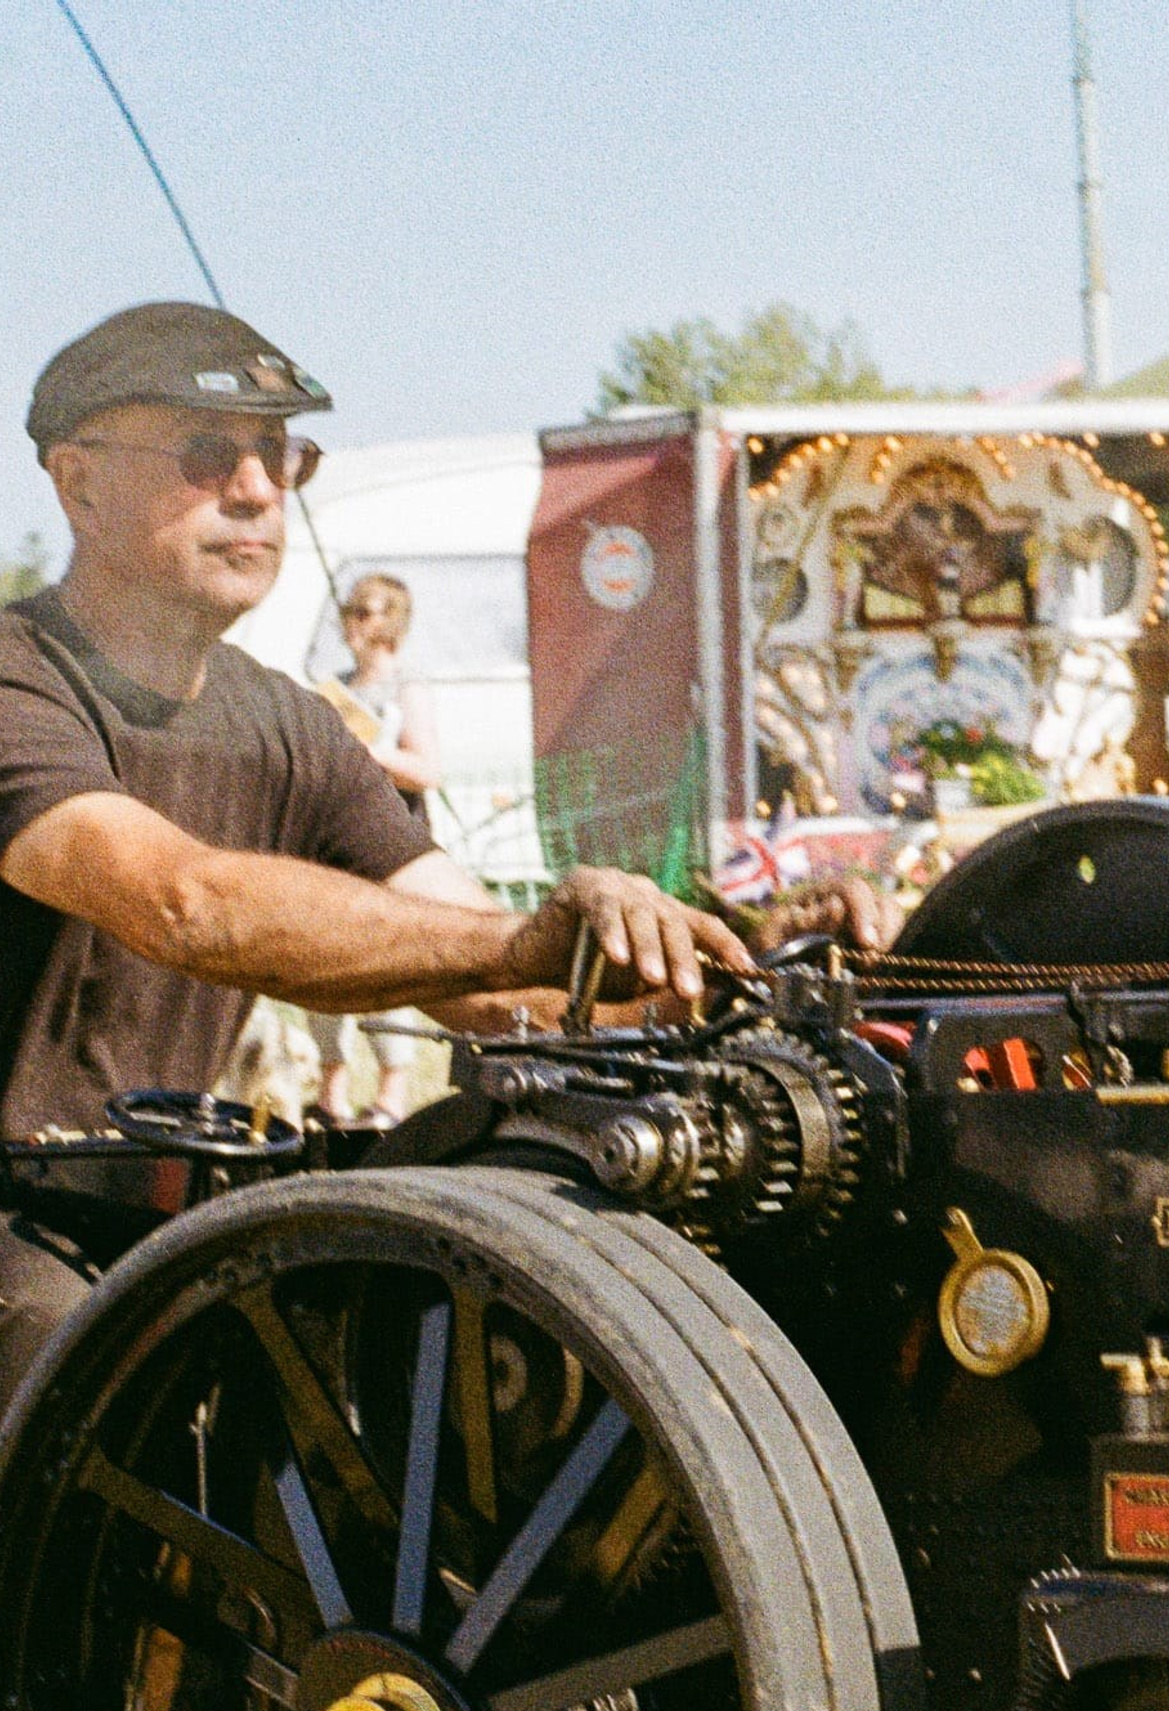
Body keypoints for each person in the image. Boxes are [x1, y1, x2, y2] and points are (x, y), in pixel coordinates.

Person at [0, 301, 868, 1402]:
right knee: (80, 1370)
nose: (259, 489)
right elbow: (182, 902)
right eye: (208, 452)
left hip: (151, 1216)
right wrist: (522, 938)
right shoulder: (20, 685)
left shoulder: (292, 727)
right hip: (18, 1229)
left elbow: (505, 1006)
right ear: (77, 482)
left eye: (281, 454)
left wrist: (736, 963)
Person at [311, 572, 439, 1123]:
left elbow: (427, 770)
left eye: (364, 611)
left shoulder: (408, 688)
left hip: (391, 840)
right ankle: (330, 1090)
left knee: (387, 965)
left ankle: (391, 1093)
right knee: (320, 959)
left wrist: (368, 751)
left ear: (391, 622)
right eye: (349, 610)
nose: (352, 622)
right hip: (333, 841)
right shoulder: (332, 686)